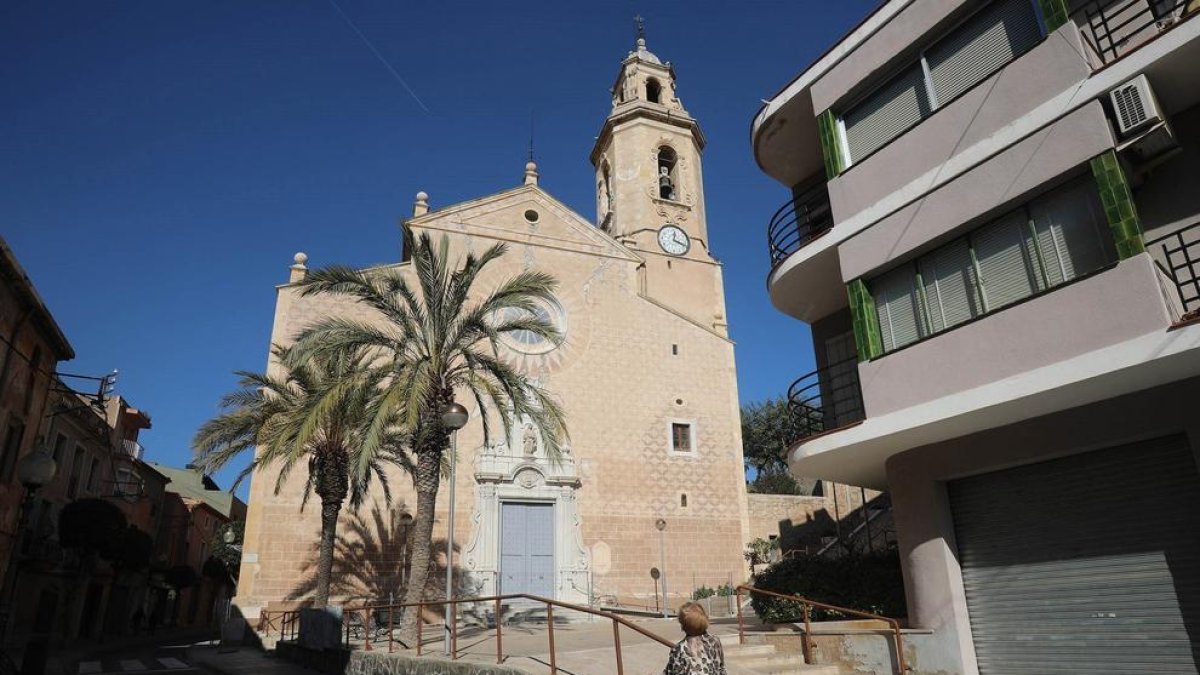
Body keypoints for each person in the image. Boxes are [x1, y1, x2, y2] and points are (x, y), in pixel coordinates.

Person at [662, 602, 726, 675]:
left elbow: (673, 671)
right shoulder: (715, 641)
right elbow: (721, 668)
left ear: (683, 625)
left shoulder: (679, 649)